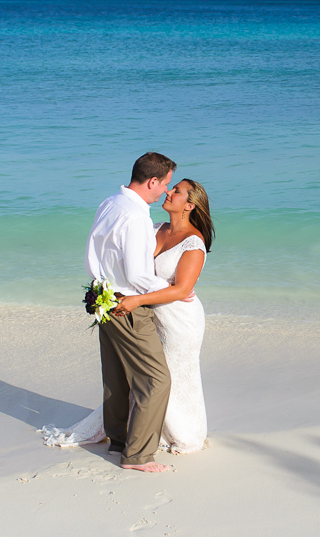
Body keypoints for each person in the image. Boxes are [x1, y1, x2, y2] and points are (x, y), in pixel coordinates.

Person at [39, 174, 214, 458]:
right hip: (152, 314)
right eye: (170, 188)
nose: (168, 193)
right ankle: (140, 429)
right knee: (146, 373)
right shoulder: (155, 228)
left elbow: (182, 289)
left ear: (190, 205)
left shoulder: (193, 243)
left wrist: (137, 300)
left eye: (178, 192)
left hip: (180, 320)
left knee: (173, 373)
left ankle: (181, 432)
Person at [84, 152, 176, 473]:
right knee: (156, 379)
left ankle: (119, 440)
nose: (167, 190)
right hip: (127, 304)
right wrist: (171, 288)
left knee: (117, 376)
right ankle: (137, 456)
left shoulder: (110, 203)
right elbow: (138, 274)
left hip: (101, 299)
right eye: (165, 184)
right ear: (152, 181)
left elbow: (92, 250)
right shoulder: (137, 217)